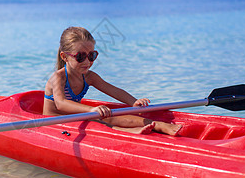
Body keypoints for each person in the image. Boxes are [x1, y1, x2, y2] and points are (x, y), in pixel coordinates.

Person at [43, 26, 182, 135]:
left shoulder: (89, 77)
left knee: (105, 115)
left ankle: (155, 124)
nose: (87, 61)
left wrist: (133, 102)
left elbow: (114, 90)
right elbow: (61, 104)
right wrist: (91, 109)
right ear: (65, 56)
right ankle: (128, 131)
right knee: (95, 119)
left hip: (75, 118)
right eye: (80, 57)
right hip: (54, 123)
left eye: (92, 55)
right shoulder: (58, 77)